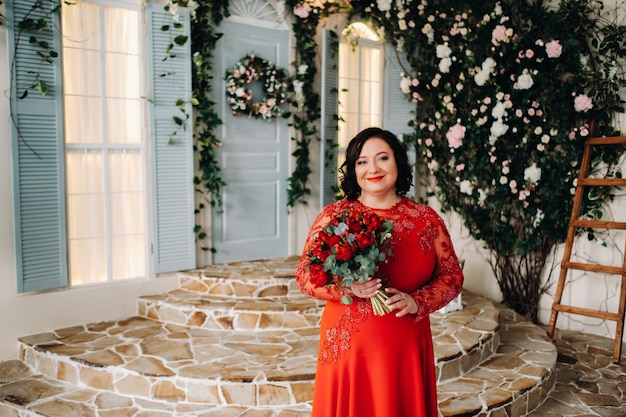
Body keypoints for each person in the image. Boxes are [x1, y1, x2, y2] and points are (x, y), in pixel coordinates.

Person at [295, 127, 464, 417]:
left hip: (403, 342)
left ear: (398, 162)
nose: (373, 168)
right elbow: (304, 275)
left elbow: (452, 276)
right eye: (362, 161)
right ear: (353, 169)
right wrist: (347, 288)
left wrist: (418, 301)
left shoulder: (426, 219)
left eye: (382, 158)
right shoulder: (334, 216)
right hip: (349, 344)